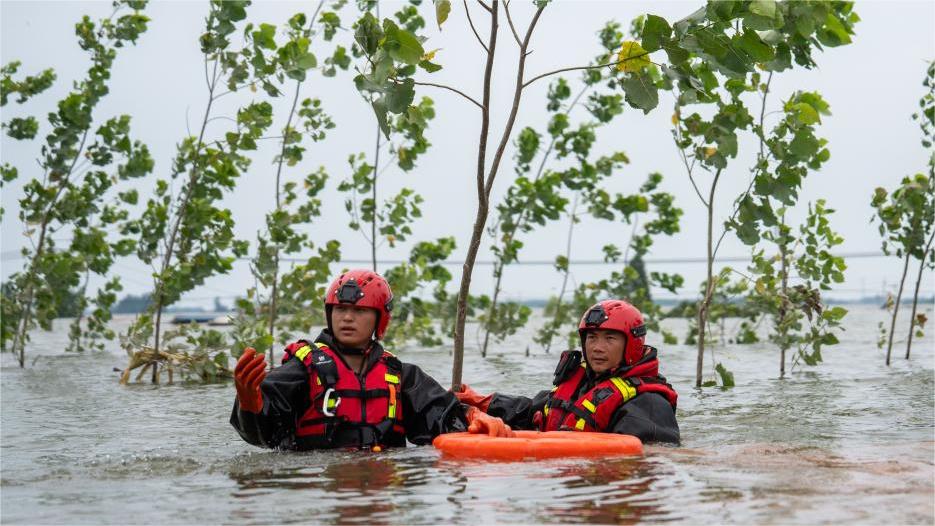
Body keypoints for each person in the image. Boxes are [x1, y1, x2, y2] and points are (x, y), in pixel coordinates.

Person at [230, 269, 512, 451]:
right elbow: (263, 437)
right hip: (320, 482)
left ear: (380, 319)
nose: (347, 317)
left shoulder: (401, 375)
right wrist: (249, 403)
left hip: (381, 477)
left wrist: (474, 415)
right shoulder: (302, 369)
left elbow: (443, 415)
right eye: (340, 309)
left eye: (359, 310)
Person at [456, 299, 680, 444]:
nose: (597, 348)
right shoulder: (582, 383)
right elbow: (534, 412)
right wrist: (480, 402)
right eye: (591, 338)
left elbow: (646, 461)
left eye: (609, 339)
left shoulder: (649, 404)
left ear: (632, 345)